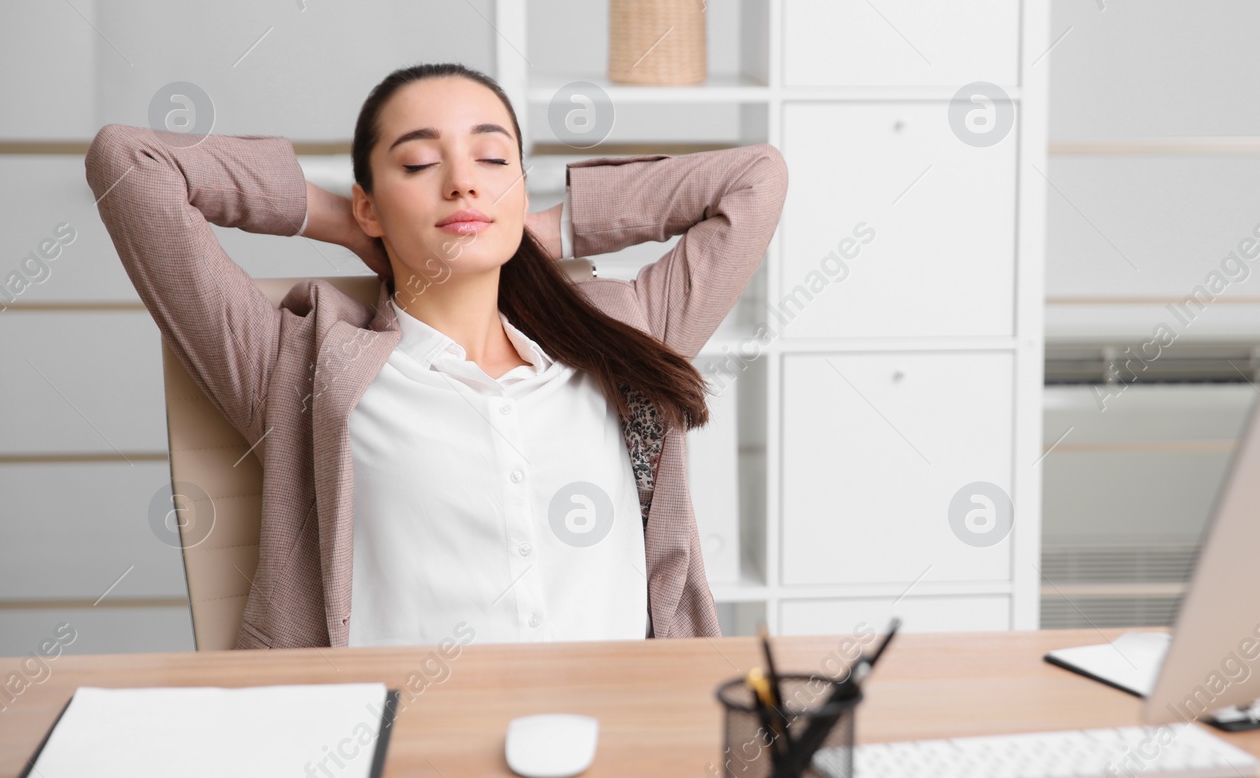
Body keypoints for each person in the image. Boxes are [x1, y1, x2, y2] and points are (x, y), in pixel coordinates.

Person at [85, 62, 787, 648]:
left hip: (617, 746)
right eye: (419, 162)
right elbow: (128, 161)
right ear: (370, 204)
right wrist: (342, 219)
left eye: (492, 158)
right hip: (405, 760)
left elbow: (756, 177)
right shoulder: (297, 365)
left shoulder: (623, 330)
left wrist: (540, 227)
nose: (462, 181)